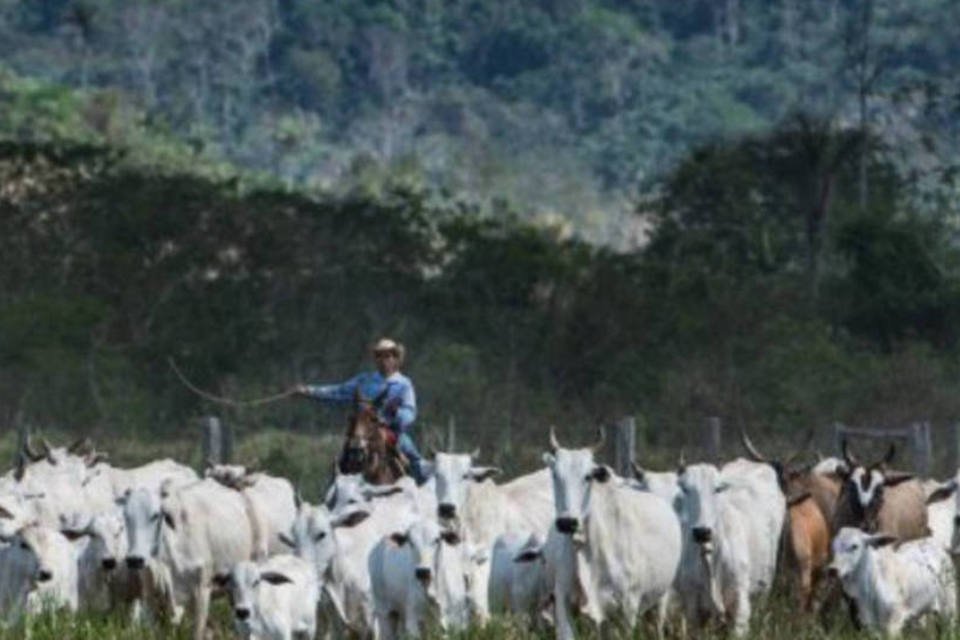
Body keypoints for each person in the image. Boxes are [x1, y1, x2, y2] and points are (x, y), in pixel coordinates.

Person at [294, 338, 428, 484]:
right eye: (379, 356)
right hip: (363, 429)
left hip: (391, 430)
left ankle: (422, 491)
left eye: (388, 356)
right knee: (342, 460)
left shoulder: (404, 384)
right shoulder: (364, 380)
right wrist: (309, 391)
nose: (383, 360)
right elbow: (338, 391)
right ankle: (333, 495)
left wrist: (396, 413)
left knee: (414, 457)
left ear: (395, 358)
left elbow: (410, 414)